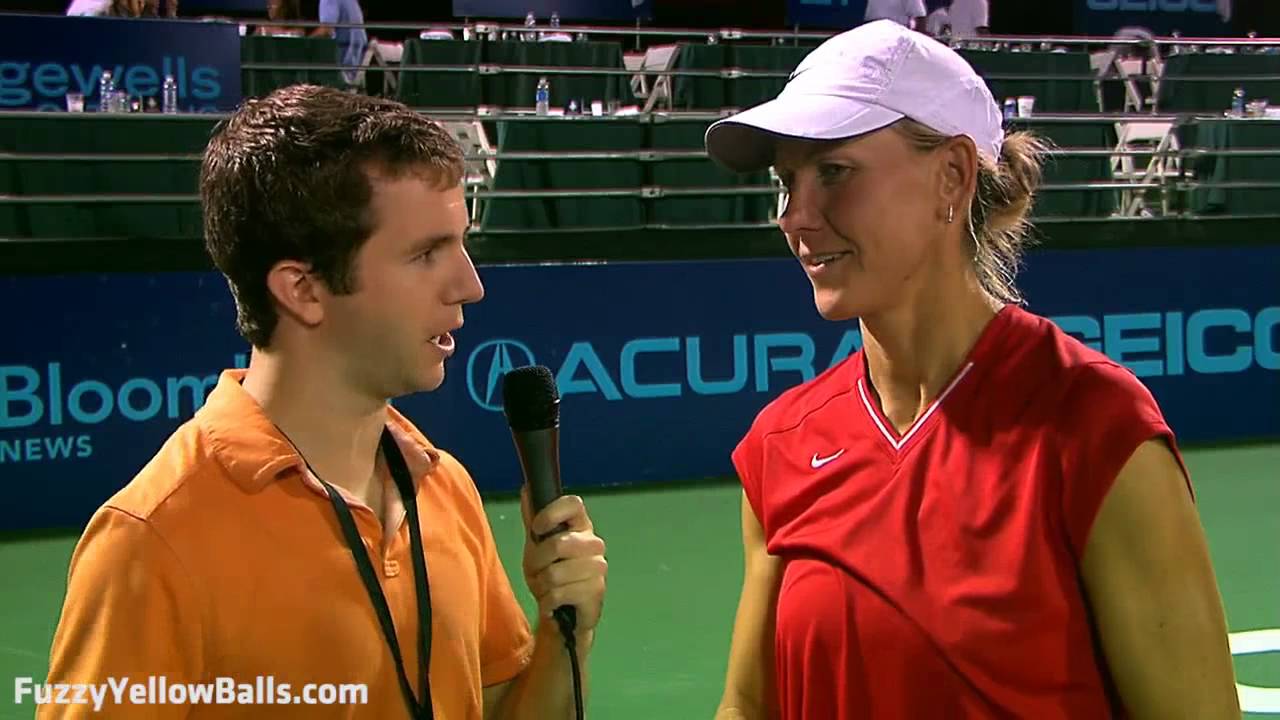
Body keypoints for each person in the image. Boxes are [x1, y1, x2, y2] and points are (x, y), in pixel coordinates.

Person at [704, 20, 1239, 719]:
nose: (795, 216)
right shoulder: (781, 444)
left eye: (833, 172)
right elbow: (748, 708)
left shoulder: (1095, 430)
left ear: (951, 176)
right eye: (786, 183)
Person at [41, 85, 607, 718]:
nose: (470, 285)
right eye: (425, 254)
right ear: (303, 289)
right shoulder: (151, 544)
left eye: (461, 243)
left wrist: (568, 638)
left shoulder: (444, 488)